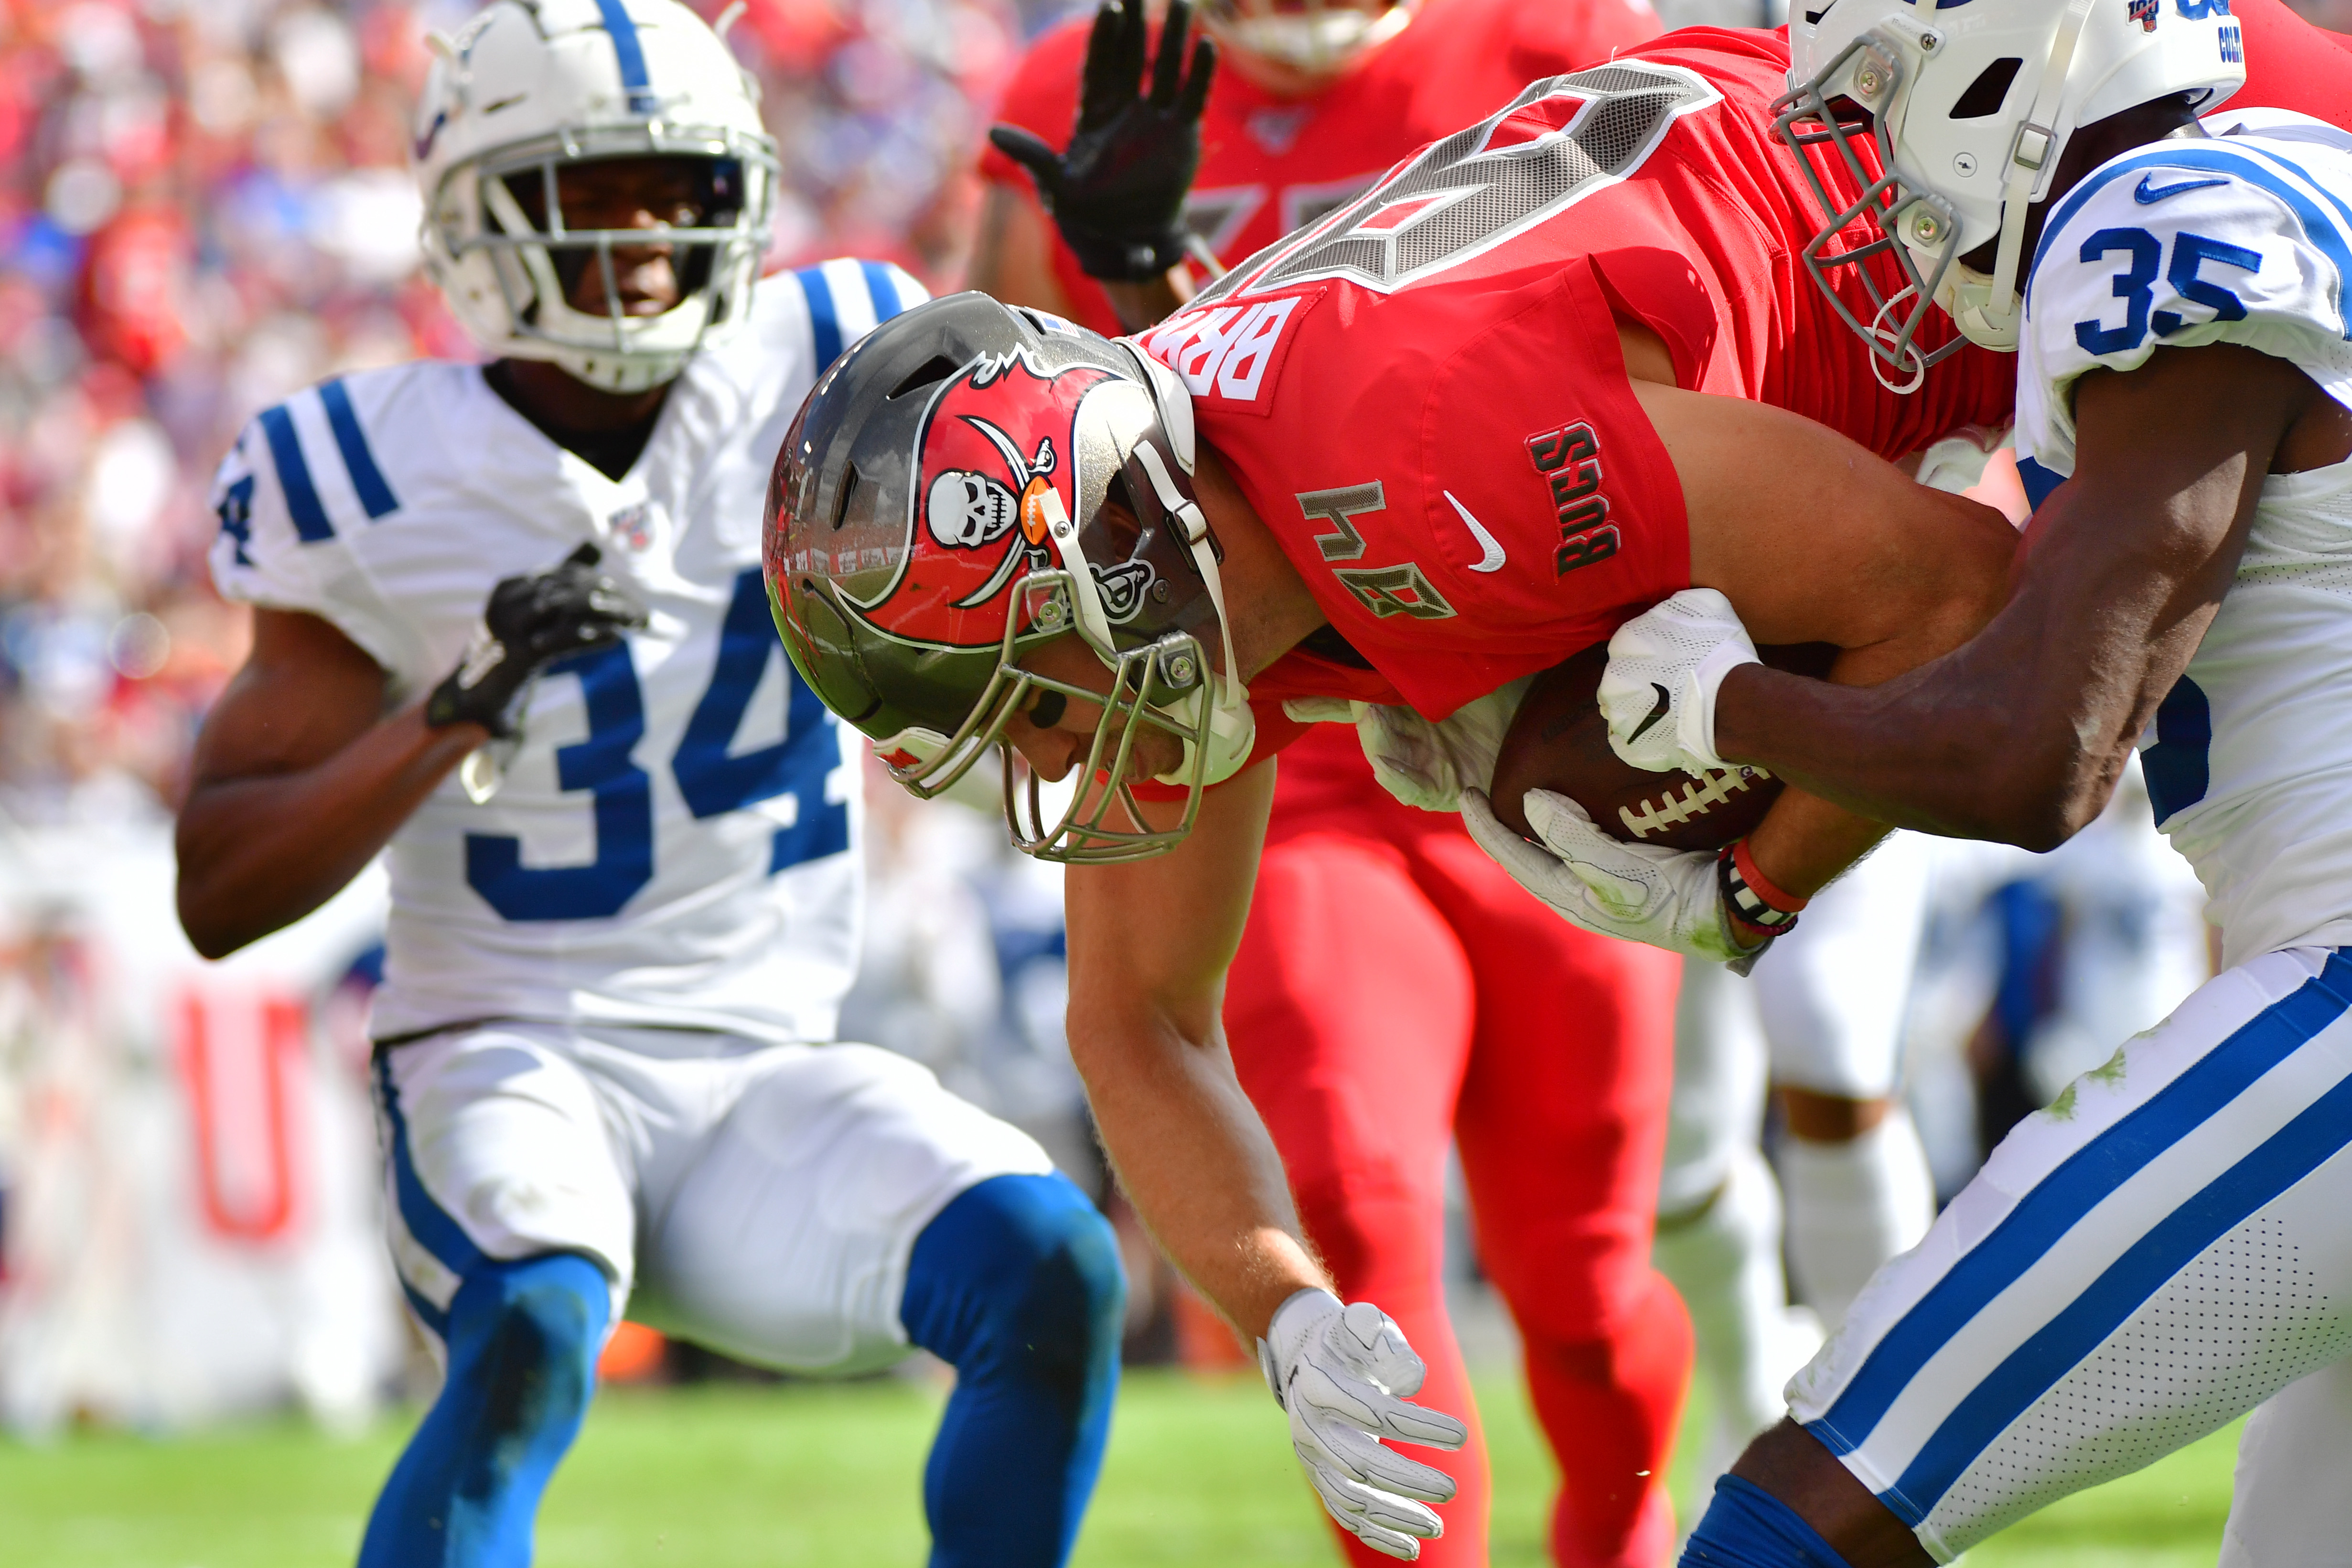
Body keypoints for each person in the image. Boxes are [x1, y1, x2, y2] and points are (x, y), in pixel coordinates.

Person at [763, 19, 2072, 1555]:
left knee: (1594, 1249)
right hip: (1806, 324)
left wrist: (1752, 878)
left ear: (1109, 552)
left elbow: (1953, 587)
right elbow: (1132, 1021)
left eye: (1027, 698)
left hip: (2013, 206)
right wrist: (1283, 1312)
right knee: (1365, 1193)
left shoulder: (1423, 464)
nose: (1044, 761)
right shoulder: (1184, 542)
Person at [174, 5, 1123, 1565]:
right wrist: (457, 708)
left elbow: (1103, 447)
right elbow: (218, 888)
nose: (648, 234)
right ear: (477, 209)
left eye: (684, 188)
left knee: (1049, 1263)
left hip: (766, 1067)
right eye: (595, 190)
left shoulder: (835, 357)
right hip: (507, 1049)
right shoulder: (367, 471)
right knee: (535, 1322)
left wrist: (1128, 268)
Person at [1575, 3, 2352, 1563]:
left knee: (1810, 1504)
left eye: (1882, 96)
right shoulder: (2297, 173)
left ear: (2020, 54)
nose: (1872, 164)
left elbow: (2035, 757)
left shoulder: (2163, 220)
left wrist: (1721, 704)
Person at [973, 4, 1698, 1564]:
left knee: (1579, 1285)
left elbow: (1689, 368)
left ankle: (1625, 1536)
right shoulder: (1076, 92)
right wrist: (1131, 276)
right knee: (1353, 1223)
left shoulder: (1559, 40)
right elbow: (1020, 464)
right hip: (1280, 753)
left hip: (1535, 711)